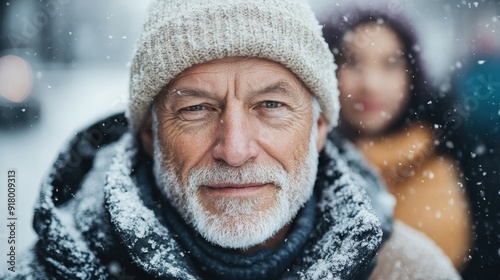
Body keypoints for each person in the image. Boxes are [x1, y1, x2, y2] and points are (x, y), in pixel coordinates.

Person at [2, 0, 460, 279]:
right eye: (197, 109)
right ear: (149, 133)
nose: (235, 150)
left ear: (319, 130)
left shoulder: (411, 272)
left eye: (272, 106)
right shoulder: (49, 271)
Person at [321, 7, 500, 279]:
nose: (371, 83)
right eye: (352, 61)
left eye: (390, 63)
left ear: (412, 72)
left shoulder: (458, 151)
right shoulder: (308, 161)